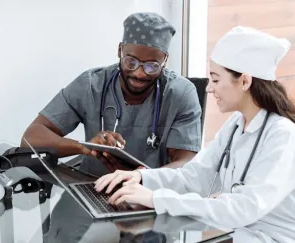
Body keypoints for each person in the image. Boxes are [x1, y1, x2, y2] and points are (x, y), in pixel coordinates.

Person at [94, 26, 295, 243]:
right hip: (243, 240)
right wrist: (142, 178)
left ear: (244, 81)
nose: (209, 88)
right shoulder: (236, 126)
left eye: (215, 79)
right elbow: (195, 176)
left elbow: (242, 209)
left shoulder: (282, 136)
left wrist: (156, 199)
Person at [21, 12, 202, 177]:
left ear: (165, 60)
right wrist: (86, 147)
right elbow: (31, 138)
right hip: (92, 183)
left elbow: (186, 164)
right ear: (119, 51)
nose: (139, 73)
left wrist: (141, 178)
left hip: (149, 195)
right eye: (131, 61)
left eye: (152, 66)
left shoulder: (180, 94)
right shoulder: (91, 85)